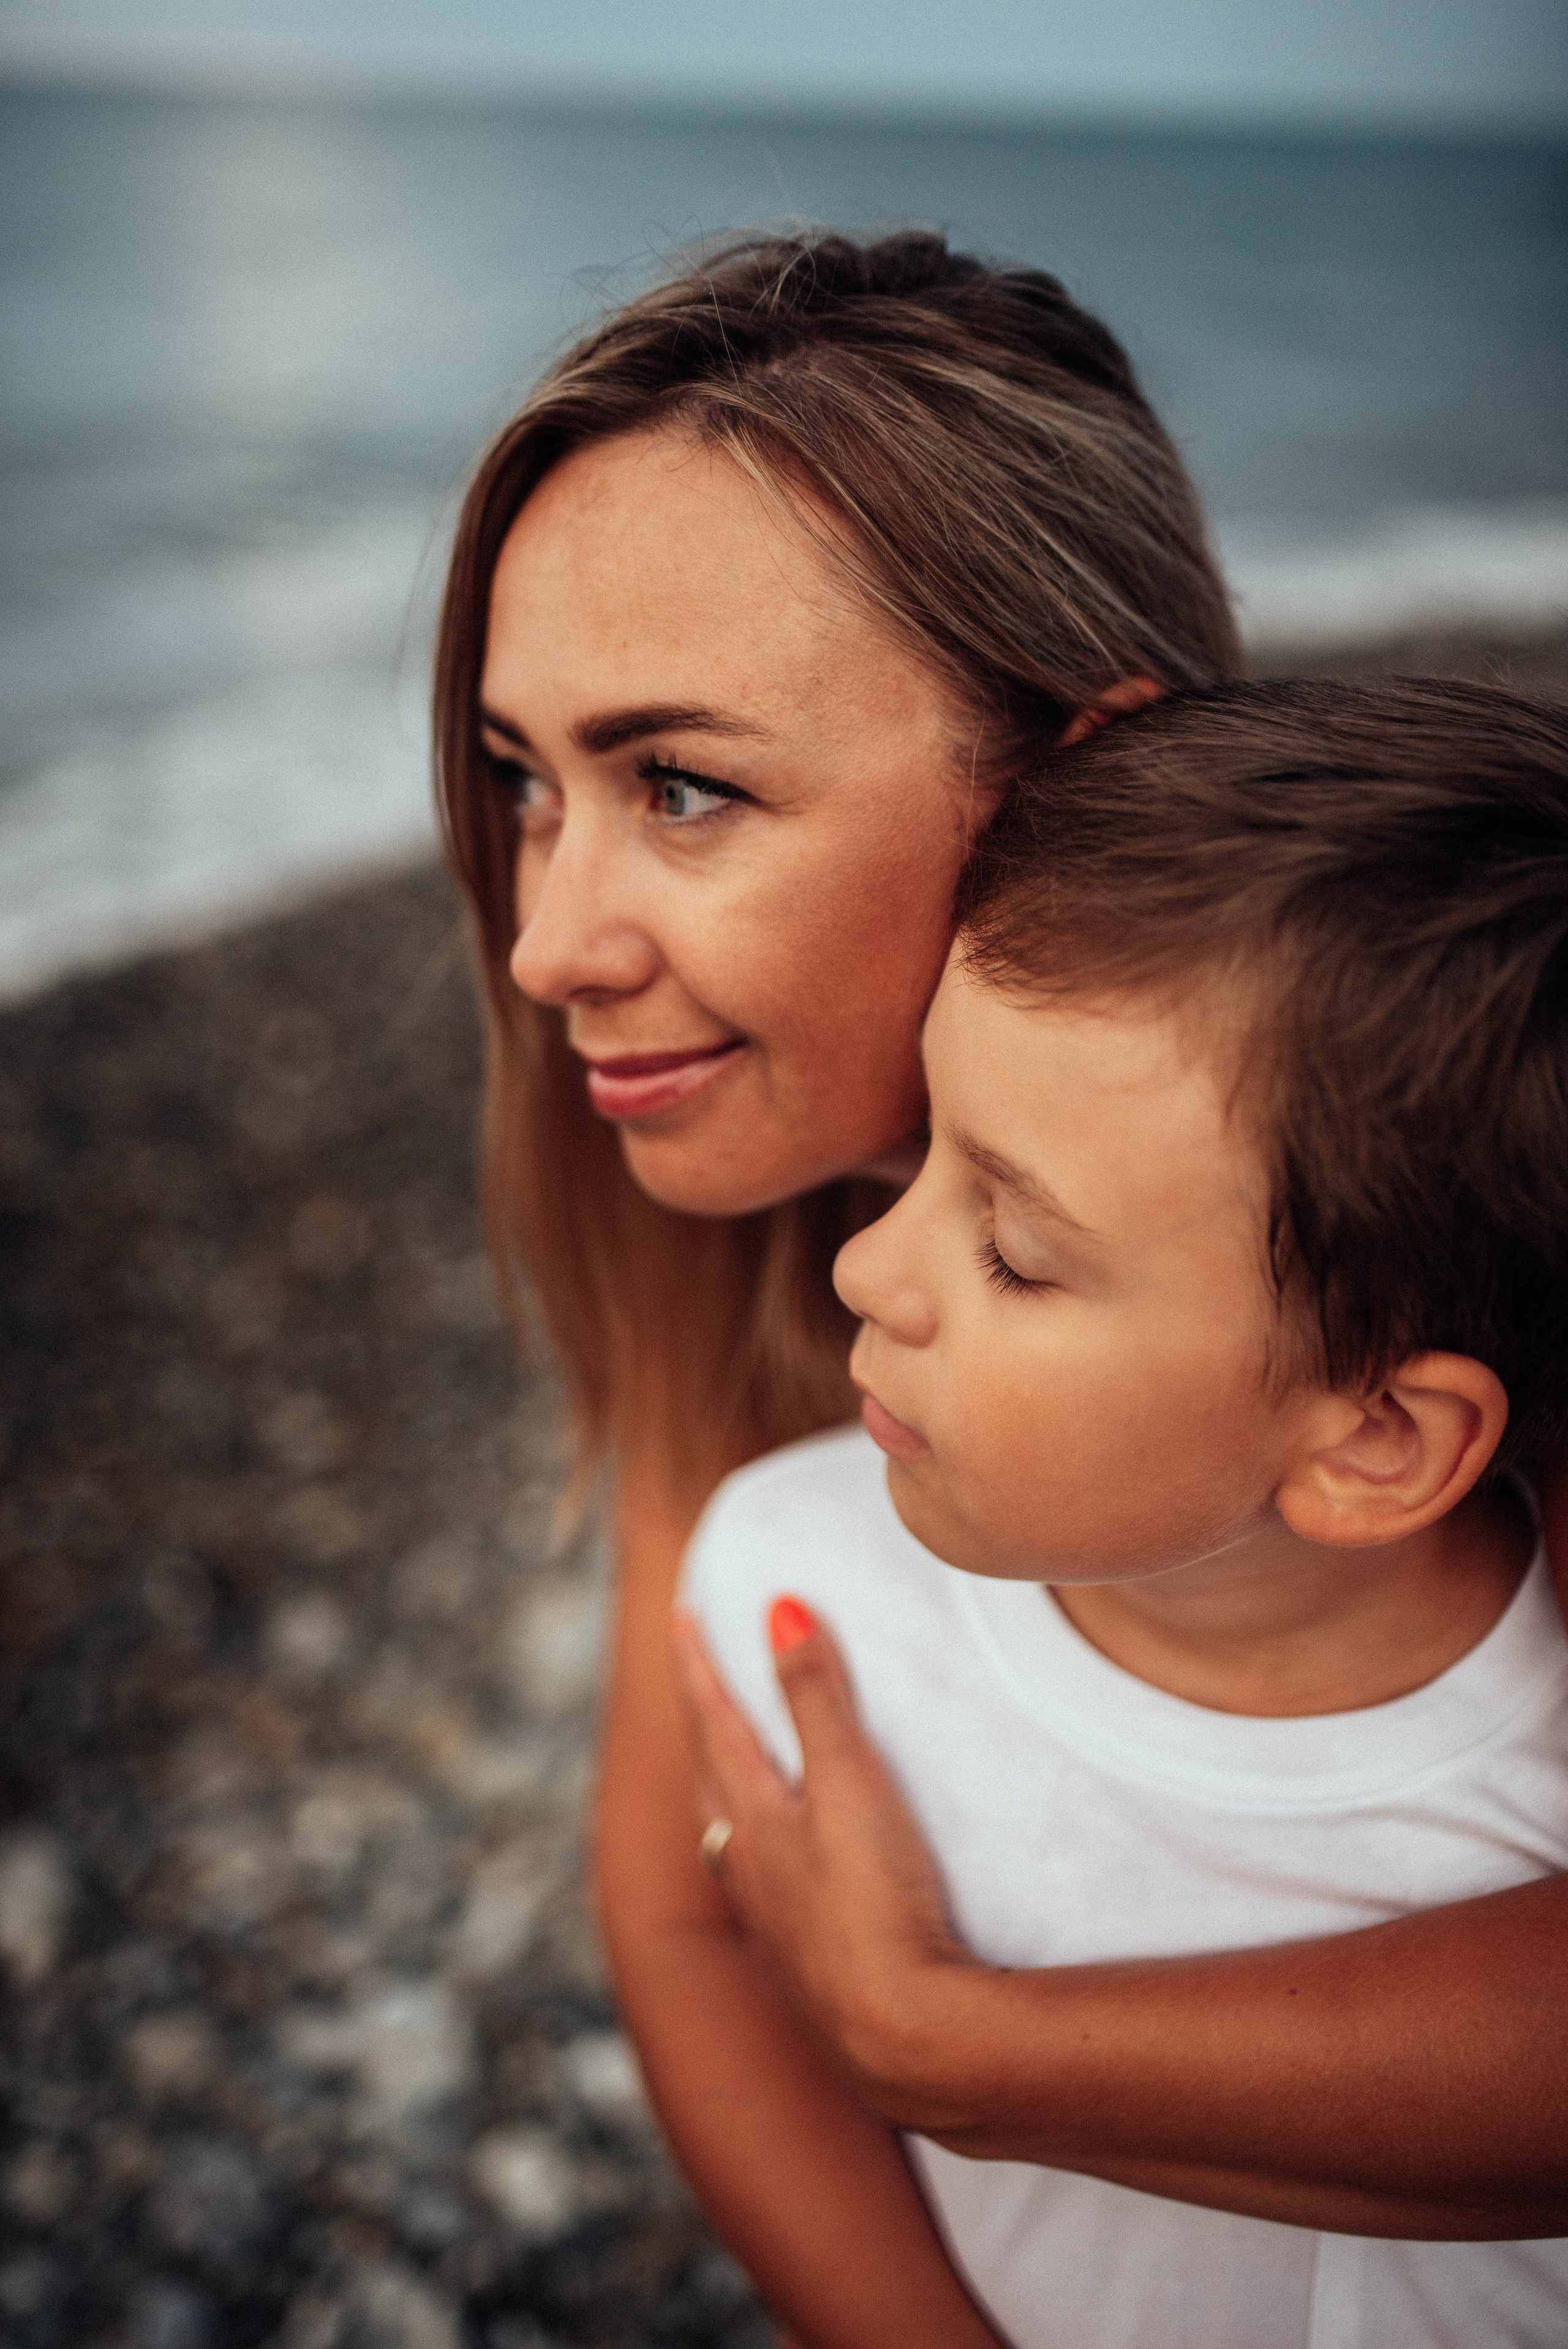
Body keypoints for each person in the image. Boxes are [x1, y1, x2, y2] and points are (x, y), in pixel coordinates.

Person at [434, 230, 1567, 2348]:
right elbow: (679, 1921)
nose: (543, 938)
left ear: (1068, 762)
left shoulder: (1475, 1173)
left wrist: (956, 2049)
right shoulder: (733, 1239)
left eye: (681, 784)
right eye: (525, 782)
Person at [677, 677, 1568, 2348]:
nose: (868, 1264)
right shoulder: (797, 1598)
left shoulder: (1546, 1763)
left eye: (1017, 1249)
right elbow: (695, 1949)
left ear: (1376, 1437)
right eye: (932, 1138)